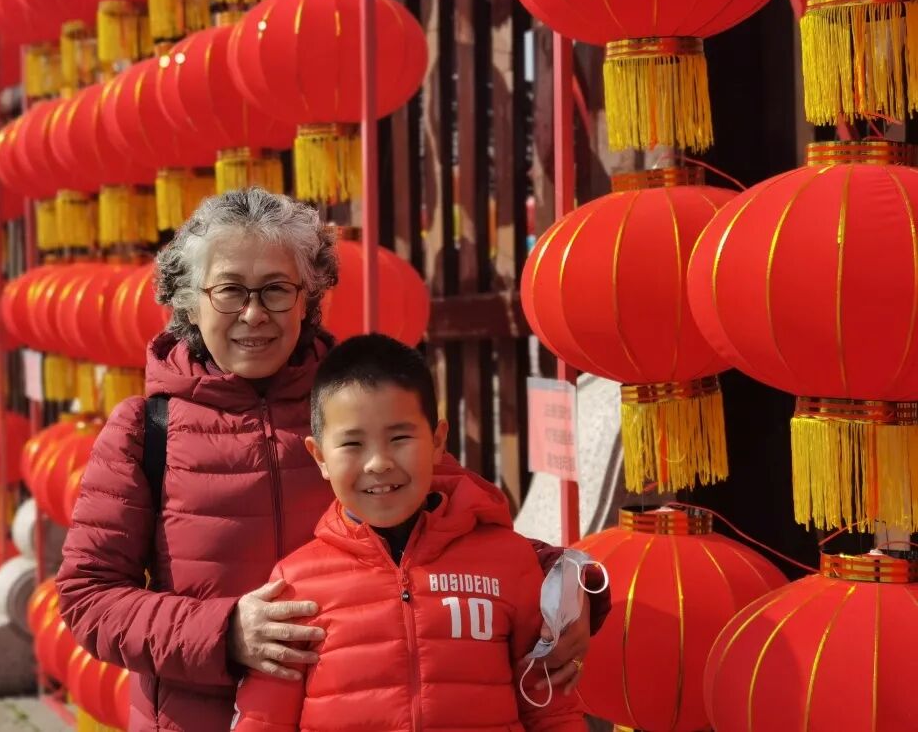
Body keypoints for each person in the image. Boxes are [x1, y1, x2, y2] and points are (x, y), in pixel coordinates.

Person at [57, 188, 608, 732]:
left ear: (307, 298)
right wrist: (224, 631)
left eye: (276, 289)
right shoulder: (144, 431)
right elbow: (88, 597)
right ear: (188, 300)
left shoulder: (359, 408)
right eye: (229, 290)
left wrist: (569, 584)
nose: (253, 314)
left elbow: (461, 524)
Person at [232, 335, 587, 731]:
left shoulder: (510, 562)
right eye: (352, 443)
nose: (379, 463)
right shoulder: (294, 583)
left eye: (399, 438)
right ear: (320, 457)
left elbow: (551, 709)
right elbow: (263, 719)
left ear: (437, 441)